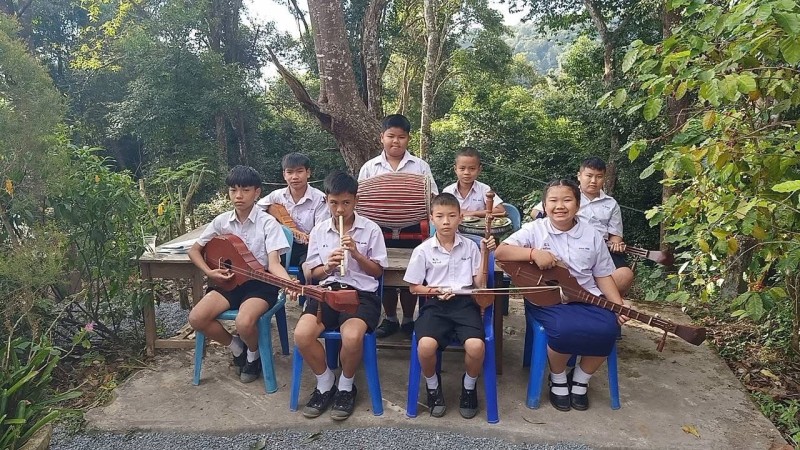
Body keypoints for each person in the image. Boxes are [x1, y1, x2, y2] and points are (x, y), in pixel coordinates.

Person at [495, 179, 629, 412]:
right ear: (545, 205)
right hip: (549, 300)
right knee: (564, 329)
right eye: (553, 201)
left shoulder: (591, 234)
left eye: (567, 200)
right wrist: (533, 253)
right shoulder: (535, 229)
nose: (560, 206)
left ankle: (581, 379)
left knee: (608, 328)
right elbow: (501, 251)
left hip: (587, 297)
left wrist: (618, 305)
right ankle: (557, 378)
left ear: (577, 205)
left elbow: (603, 275)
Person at [293, 170, 388, 421]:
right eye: (334, 203)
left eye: (346, 203)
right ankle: (325, 382)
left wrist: (356, 254)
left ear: (356, 200)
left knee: (352, 336)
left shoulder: (371, 230)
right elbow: (313, 273)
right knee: (302, 335)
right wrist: (329, 266)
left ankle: (346, 385)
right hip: (327, 291)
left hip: (361, 294)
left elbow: (377, 271)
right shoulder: (319, 230)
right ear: (326, 200)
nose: (340, 210)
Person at [187, 165, 294, 384]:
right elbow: (194, 250)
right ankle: (237, 347)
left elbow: (274, 264)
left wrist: (289, 283)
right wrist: (210, 272)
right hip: (228, 282)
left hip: (260, 284)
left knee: (244, 322)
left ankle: (253, 354)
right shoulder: (221, 222)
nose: (238, 196)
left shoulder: (268, 223)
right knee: (197, 318)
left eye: (245, 190)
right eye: (233, 190)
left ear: (257, 192)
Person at [404, 193, 495, 419]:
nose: (446, 221)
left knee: (476, 346)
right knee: (425, 346)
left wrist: (485, 253)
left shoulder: (471, 247)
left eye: (452, 216)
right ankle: (433, 387)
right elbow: (414, 288)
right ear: (431, 218)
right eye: (440, 216)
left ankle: (469, 387)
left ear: (460, 217)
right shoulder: (423, 250)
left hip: (465, 304)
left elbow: (479, 285)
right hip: (435, 305)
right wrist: (433, 291)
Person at [358, 114, 439, 339]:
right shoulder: (369, 167)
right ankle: (390, 318)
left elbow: (432, 198)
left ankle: (409, 319)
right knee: (383, 272)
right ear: (381, 137)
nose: (396, 141)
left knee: (412, 274)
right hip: (378, 230)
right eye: (390, 136)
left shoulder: (420, 166)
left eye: (401, 137)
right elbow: (361, 201)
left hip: (413, 228)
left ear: (408, 138)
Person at [528, 157, 634, 295]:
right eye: (589, 176)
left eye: (599, 177)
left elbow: (616, 236)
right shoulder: (567, 193)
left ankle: (598, 297)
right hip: (564, 241)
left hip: (600, 248)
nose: (593, 181)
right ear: (579, 176)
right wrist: (554, 221)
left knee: (625, 275)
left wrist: (616, 244)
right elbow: (535, 212)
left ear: (604, 178)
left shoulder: (611, 204)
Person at [257, 152, 330, 269]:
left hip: (307, 248)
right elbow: (257, 211)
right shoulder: (276, 196)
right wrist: (277, 221)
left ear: (308, 173)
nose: (294, 177)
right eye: (290, 172)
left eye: (299, 171)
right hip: (280, 244)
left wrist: (306, 238)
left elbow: (321, 231)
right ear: (284, 175)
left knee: (309, 268)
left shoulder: (320, 199)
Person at [442, 147, 506, 217]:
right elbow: (441, 212)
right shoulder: (448, 191)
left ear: (479, 170)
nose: (466, 172)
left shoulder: (484, 189)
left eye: (472, 168)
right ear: (455, 169)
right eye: (462, 168)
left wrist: (472, 213)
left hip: (479, 224)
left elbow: (501, 210)